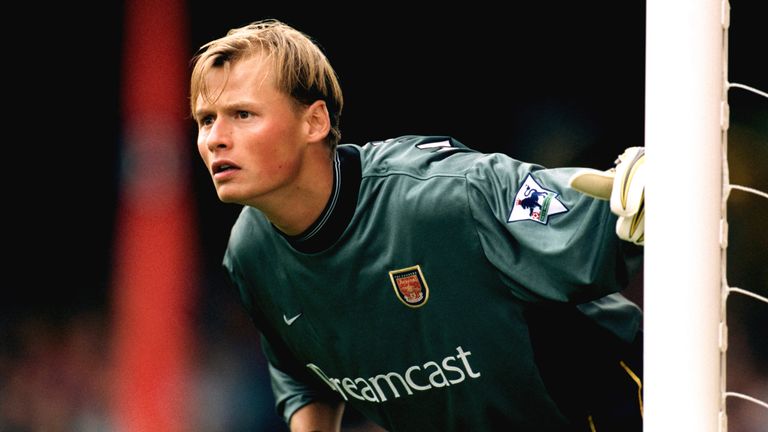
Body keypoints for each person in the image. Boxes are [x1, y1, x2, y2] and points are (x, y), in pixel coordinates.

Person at [189, 19, 646, 432]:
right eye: (206, 120)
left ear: (314, 121)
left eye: (242, 114)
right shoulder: (250, 253)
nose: (215, 138)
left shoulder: (443, 195)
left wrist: (646, 190)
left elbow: (587, 212)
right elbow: (303, 374)